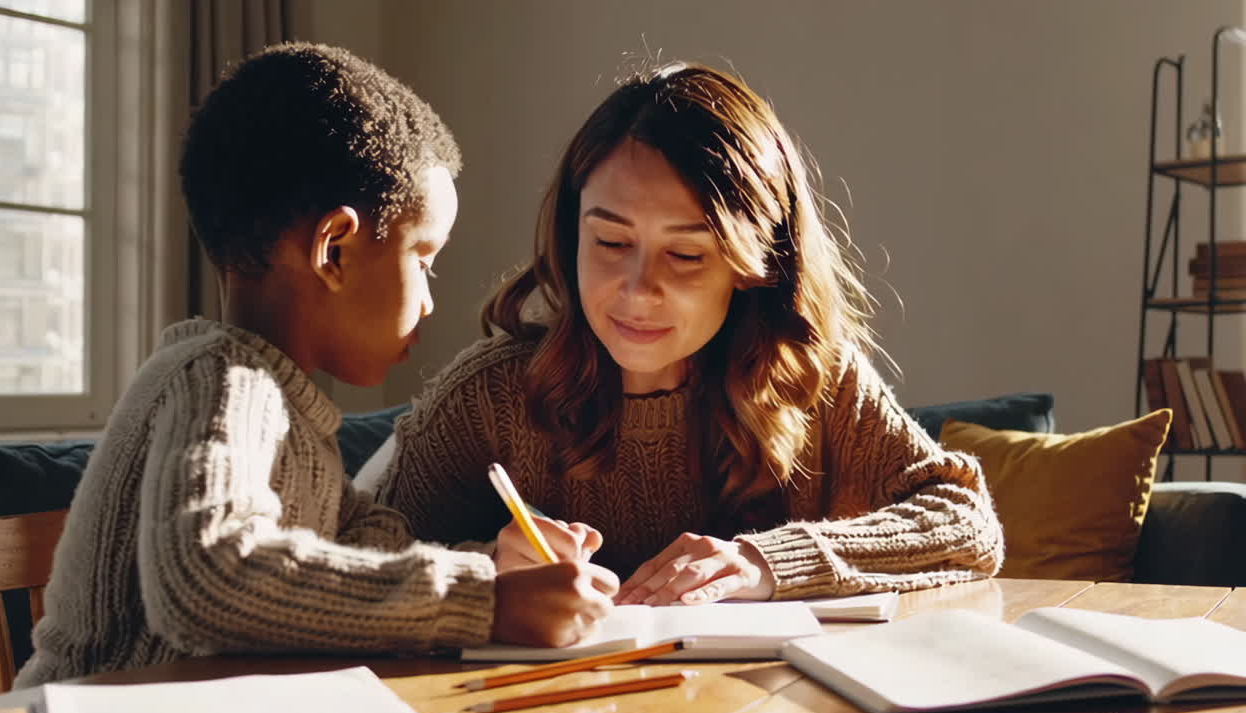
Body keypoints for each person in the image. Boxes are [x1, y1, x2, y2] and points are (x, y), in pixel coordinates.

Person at [15, 43, 616, 688]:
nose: (432, 297)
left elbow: (366, 556)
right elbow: (209, 575)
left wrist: (501, 565)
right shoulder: (221, 381)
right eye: (424, 258)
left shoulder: (290, 414)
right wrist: (485, 604)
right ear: (333, 250)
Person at [374, 62, 1004, 608]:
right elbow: (358, 558)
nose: (637, 288)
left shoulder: (811, 378)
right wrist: (487, 568)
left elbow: (966, 523)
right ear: (571, 236)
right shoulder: (492, 394)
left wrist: (766, 564)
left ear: (756, 265)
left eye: (686, 256)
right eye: (612, 241)